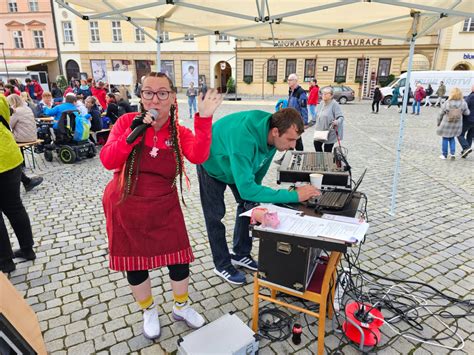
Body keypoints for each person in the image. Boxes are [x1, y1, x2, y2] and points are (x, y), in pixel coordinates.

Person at [100, 72, 223, 339]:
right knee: (134, 263)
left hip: (164, 204)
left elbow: (199, 155)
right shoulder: (125, 123)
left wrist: (203, 119)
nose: (155, 98)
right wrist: (134, 133)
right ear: (141, 96)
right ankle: (148, 310)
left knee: (179, 259)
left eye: (162, 93)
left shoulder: (178, 132)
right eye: (148, 92)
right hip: (125, 203)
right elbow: (108, 160)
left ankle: (181, 307)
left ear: (172, 97)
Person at [197, 108, 320, 285]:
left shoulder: (272, 136)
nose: (293, 146)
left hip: (236, 164)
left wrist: (255, 196)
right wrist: (294, 196)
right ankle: (222, 263)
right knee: (215, 216)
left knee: (251, 204)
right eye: (290, 139)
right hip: (211, 162)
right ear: (276, 132)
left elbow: (257, 174)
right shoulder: (244, 140)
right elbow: (247, 189)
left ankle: (241, 253)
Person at [0, 95, 37, 273]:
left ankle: (5, 260)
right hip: (9, 155)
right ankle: (27, 248)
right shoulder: (0, 98)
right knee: (15, 207)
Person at [6, 94, 44, 192]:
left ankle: (24, 176)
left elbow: (10, 125)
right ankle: (25, 179)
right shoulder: (27, 108)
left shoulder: (16, 111)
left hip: (22, 137)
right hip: (32, 135)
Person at [436, 88, 470, 160]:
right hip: (457, 124)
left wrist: (438, 123)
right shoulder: (463, 103)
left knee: (445, 138)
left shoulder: (447, 102)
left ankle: (444, 155)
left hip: (446, 124)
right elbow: (467, 113)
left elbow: (440, 114)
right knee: (452, 138)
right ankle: (452, 154)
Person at [313, 86, 344, 153]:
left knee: (327, 150)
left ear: (331, 95)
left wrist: (337, 122)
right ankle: (320, 160)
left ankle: (326, 161)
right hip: (321, 131)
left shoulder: (334, 104)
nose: (323, 95)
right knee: (316, 144)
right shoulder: (321, 103)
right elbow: (317, 115)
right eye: (323, 93)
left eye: (326, 93)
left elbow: (341, 117)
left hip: (330, 132)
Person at [287, 73, 308, 151]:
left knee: (296, 139)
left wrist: (305, 123)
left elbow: (304, 108)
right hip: (290, 120)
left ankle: (297, 155)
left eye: (290, 80)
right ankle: (289, 155)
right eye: (288, 80)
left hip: (297, 121)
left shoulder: (301, 92)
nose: (288, 82)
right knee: (292, 138)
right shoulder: (291, 91)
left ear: (295, 81)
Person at [457, 85, 474, 158]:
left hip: (469, 119)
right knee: (470, 135)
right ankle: (466, 151)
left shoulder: (471, 96)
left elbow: (463, 106)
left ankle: (466, 148)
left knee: (459, 134)